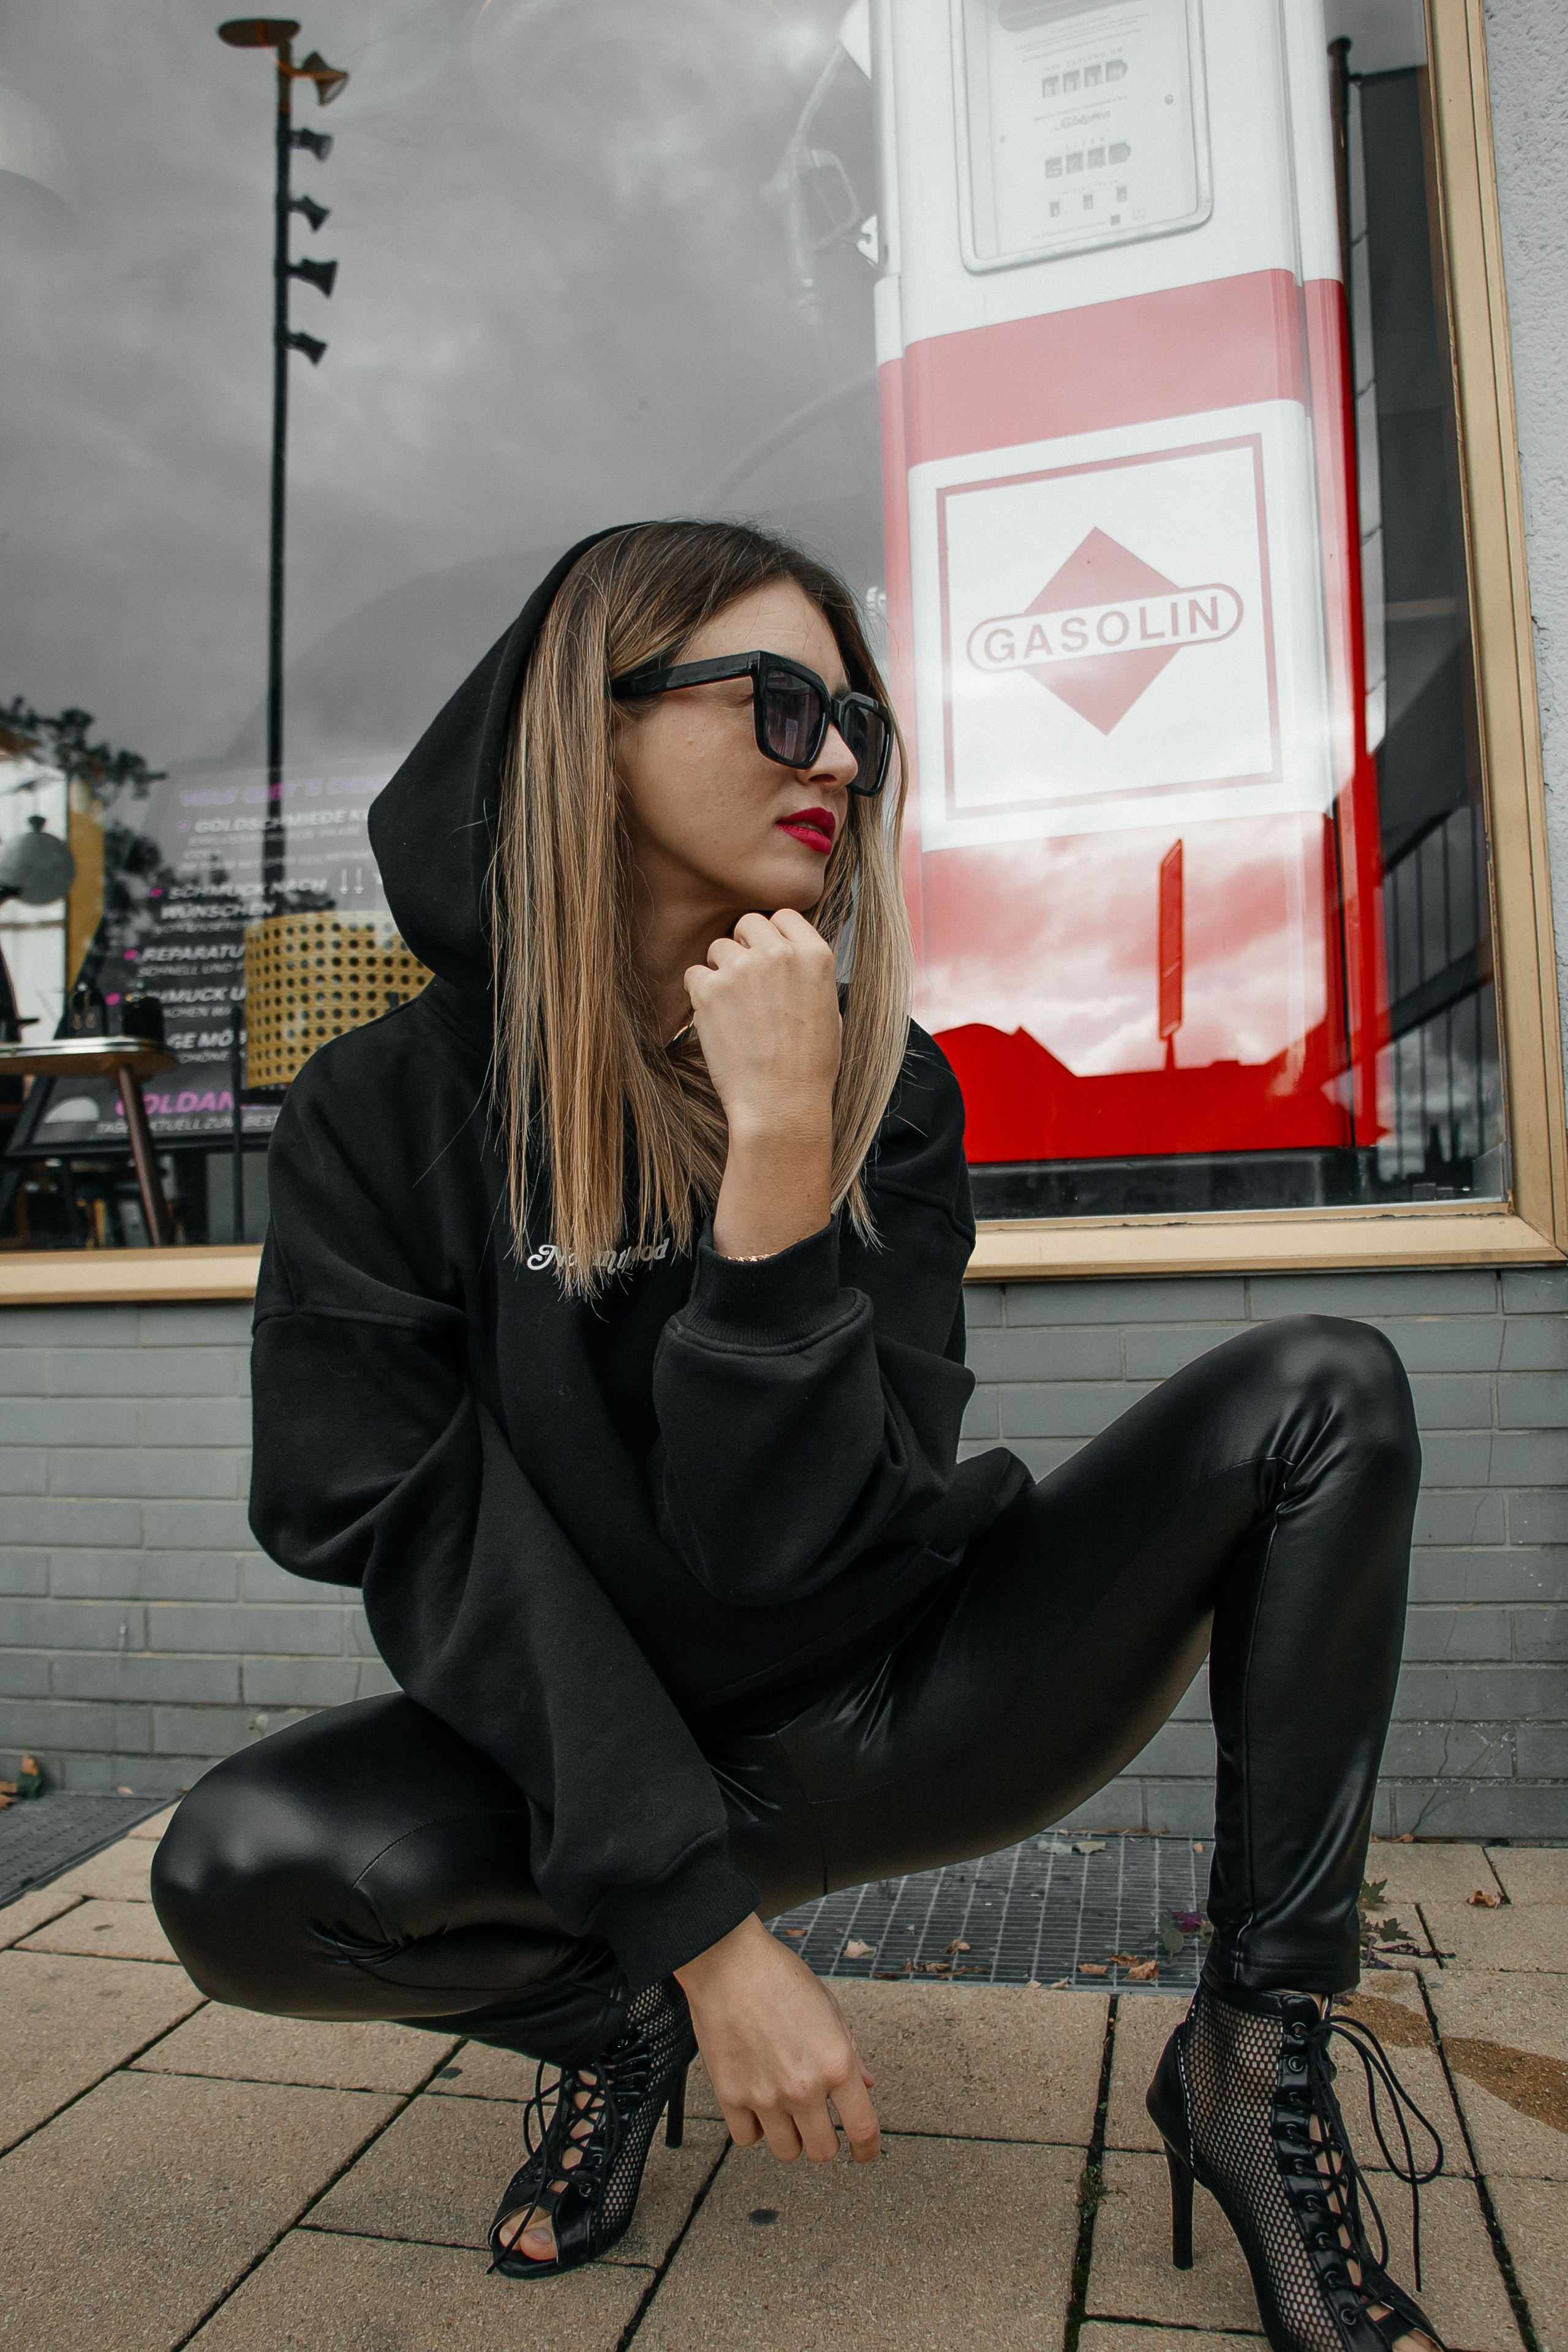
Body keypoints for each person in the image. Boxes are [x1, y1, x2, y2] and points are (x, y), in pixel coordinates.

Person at [153, 521, 1441, 2352]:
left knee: (1327, 1383)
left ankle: (1255, 2054)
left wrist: (778, 1157)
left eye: (857, 721)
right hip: (605, 1752)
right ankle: (632, 2025)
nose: (836, 756)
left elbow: (792, 1542)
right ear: (584, 728)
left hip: (926, 1697)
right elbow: (409, 1523)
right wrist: (692, 1923)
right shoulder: (384, 1111)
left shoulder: (887, 1086)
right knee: (239, 1873)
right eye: (777, 704)